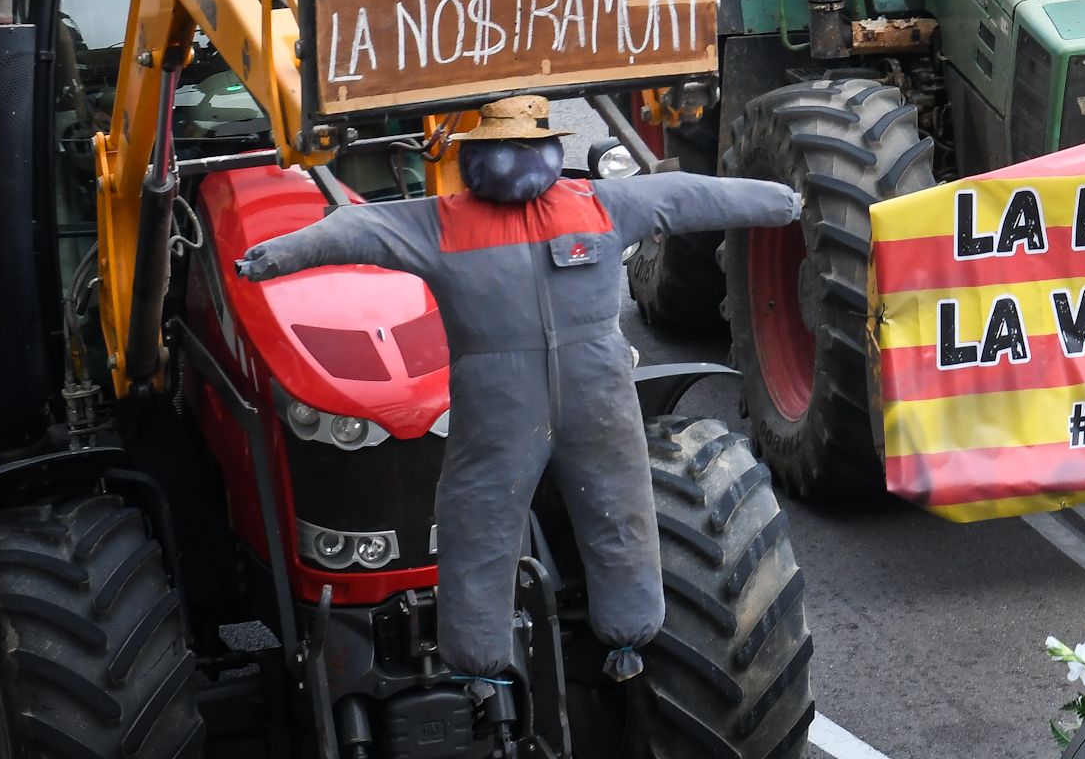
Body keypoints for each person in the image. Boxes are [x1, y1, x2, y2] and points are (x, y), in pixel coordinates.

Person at [238, 97, 801, 682]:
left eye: (522, 146)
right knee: (595, 512)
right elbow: (687, 195)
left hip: (508, 409)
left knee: (494, 521)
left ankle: (497, 658)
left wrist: (272, 256)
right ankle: (569, 646)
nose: (515, 158)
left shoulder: (453, 221)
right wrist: (275, 256)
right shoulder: (591, 206)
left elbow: (362, 229)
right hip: (583, 400)